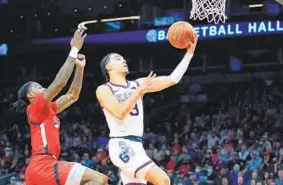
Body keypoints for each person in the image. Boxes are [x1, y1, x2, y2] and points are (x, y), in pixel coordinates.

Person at [96, 33, 198, 185]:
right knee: (163, 180)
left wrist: (189, 54)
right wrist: (138, 92)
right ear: (108, 67)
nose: (123, 60)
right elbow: (119, 113)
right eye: (118, 59)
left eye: (123, 59)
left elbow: (172, 79)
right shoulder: (104, 89)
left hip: (137, 144)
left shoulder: (138, 84)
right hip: (122, 144)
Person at [13, 28, 108, 185]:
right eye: (37, 86)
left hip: (41, 168)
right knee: (100, 179)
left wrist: (80, 68)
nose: (42, 87)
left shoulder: (47, 109)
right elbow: (59, 83)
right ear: (30, 96)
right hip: (44, 165)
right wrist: (74, 49)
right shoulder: (35, 107)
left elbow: (72, 96)